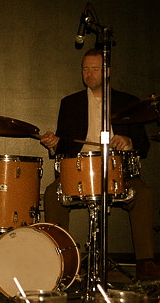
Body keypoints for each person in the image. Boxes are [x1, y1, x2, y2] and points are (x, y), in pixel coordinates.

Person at [41, 47, 160, 281]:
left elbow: (143, 145)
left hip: (118, 171)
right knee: (52, 194)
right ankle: (60, 262)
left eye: (95, 69)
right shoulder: (70, 103)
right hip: (79, 172)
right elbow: (65, 146)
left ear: (108, 71)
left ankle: (145, 262)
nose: (89, 73)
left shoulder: (129, 103)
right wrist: (55, 144)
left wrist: (128, 141)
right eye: (85, 69)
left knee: (143, 194)